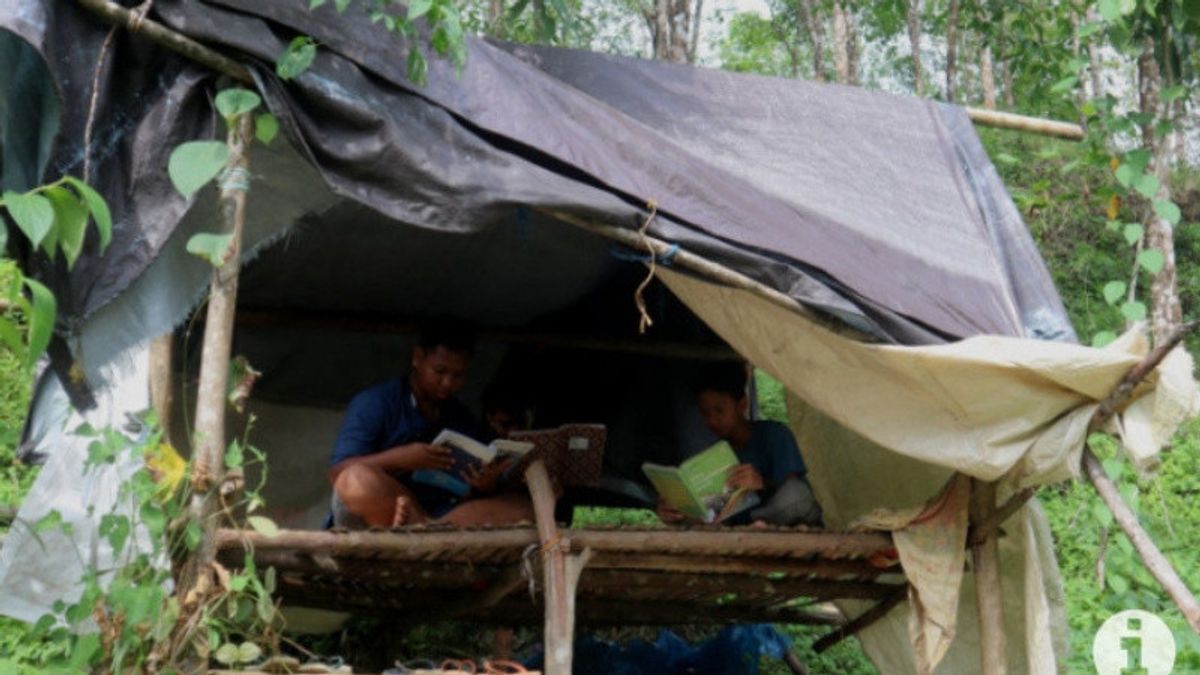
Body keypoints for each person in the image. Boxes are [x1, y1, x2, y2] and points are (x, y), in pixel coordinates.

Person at [328, 319, 534, 528]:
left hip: (444, 517)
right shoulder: (375, 402)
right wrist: (400, 459)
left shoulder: (461, 416)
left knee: (523, 507)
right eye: (440, 371)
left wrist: (484, 485)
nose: (447, 383)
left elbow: (474, 488)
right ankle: (419, 530)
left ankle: (423, 530)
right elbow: (338, 473)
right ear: (418, 358)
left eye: (457, 375)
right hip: (392, 505)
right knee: (355, 481)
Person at [657, 362, 822, 526]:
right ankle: (756, 525)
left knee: (796, 494)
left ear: (742, 405)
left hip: (782, 518)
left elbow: (792, 490)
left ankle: (759, 523)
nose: (712, 420)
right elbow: (713, 512)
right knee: (695, 516)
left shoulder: (775, 434)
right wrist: (676, 511)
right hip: (742, 527)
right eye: (705, 414)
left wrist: (762, 484)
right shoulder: (714, 456)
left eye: (719, 411)